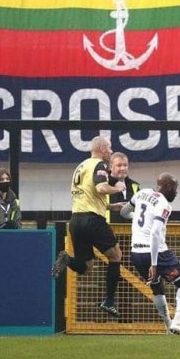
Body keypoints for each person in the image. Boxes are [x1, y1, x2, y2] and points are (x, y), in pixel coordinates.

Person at [50, 135, 126, 317]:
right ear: (101, 149)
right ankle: (109, 301)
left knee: (86, 267)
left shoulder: (82, 165)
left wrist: (109, 206)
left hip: (76, 220)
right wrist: (118, 188)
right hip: (93, 220)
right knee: (116, 255)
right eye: (109, 148)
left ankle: (66, 259)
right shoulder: (99, 165)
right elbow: (100, 188)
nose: (111, 151)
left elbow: (88, 195)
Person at [120, 172, 180, 335]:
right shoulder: (164, 205)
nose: (176, 192)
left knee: (157, 288)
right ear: (167, 186)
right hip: (156, 253)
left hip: (136, 253)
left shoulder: (141, 193)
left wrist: (136, 216)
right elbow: (155, 233)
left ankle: (168, 326)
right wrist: (153, 263)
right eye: (175, 187)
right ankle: (178, 322)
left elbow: (124, 212)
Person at [107, 152, 140, 224]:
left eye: (125, 165)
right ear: (111, 167)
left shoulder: (135, 186)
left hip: (130, 232)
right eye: (119, 165)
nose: (123, 168)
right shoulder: (102, 185)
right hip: (107, 229)